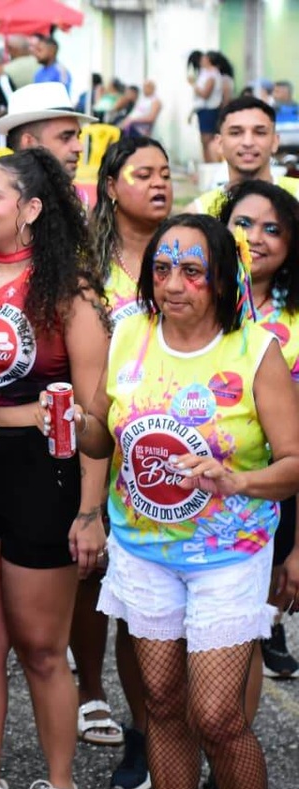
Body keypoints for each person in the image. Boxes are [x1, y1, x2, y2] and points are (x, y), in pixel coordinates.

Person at [63, 213, 299, 789]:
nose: (172, 284)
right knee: (163, 708)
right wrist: (76, 423)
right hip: (144, 551)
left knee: (218, 719)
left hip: (228, 554)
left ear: (221, 281)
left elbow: (295, 463)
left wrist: (235, 480)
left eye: (192, 271)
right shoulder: (128, 336)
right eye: (162, 269)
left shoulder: (256, 351)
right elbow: (101, 436)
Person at [0, 149, 110, 789]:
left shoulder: (72, 291)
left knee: (40, 648)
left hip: (42, 474)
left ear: (32, 210)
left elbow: (96, 418)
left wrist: (91, 512)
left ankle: (59, 786)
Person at [86, 135, 174, 789]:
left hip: (178, 451)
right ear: (112, 186)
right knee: (127, 609)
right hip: (103, 456)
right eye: (144, 173)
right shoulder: (86, 268)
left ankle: (192, 731)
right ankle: (144, 732)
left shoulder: (191, 254)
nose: (160, 183)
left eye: (167, 174)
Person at [218, 180, 299, 682]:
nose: (256, 237)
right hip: (194, 506)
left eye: (273, 228)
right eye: (243, 224)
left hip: (276, 499)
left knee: (238, 648)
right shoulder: (188, 303)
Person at [0, 82, 95, 258]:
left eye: (78, 136)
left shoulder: (77, 199)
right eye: (65, 137)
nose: (79, 147)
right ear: (30, 143)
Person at [189, 97, 299, 215]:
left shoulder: (296, 195)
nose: (248, 142)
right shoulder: (201, 212)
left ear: (275, 142)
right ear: (219, 143)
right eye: (236, 133)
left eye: (260, 132)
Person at [191, 52, 224, 163]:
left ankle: (210, 165)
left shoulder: (212, 74)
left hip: (209, 110)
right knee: (203, 141)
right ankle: (206, 165)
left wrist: (193, 84)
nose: (201, 60)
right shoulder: (204, 73)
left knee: (208, 140)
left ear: (209, 60)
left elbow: (205, 94)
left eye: (204, 58)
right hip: (202, 110)